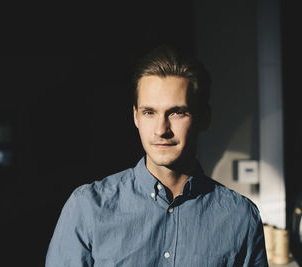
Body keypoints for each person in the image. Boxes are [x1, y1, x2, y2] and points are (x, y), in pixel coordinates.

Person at [45, 45, 268, 266]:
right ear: (136, 117)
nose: (161, 129)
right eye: (149, 112)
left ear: (204, 118)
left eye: (177, 112)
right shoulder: (87, 208)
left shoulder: (240, 217)